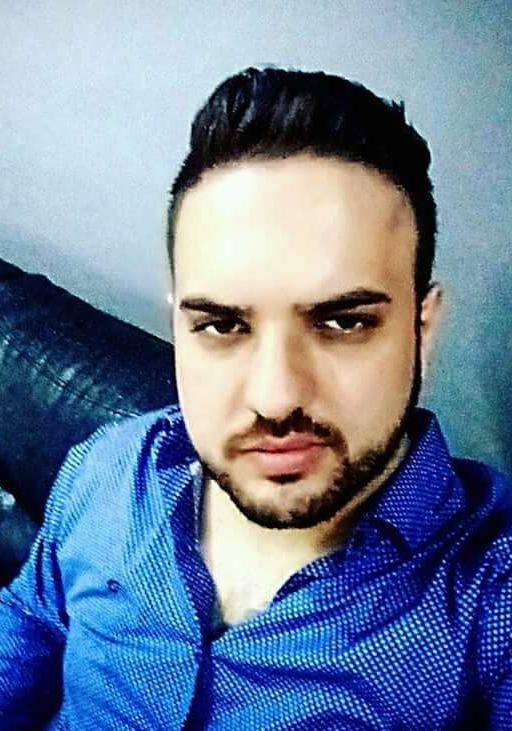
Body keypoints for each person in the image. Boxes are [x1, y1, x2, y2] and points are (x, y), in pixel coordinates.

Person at [0, 67, 510, 730]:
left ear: (423, 329)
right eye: (221, 325)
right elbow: (34, 618)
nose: (275, 397)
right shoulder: (110, 467)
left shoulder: (487, 606)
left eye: (343, 322)